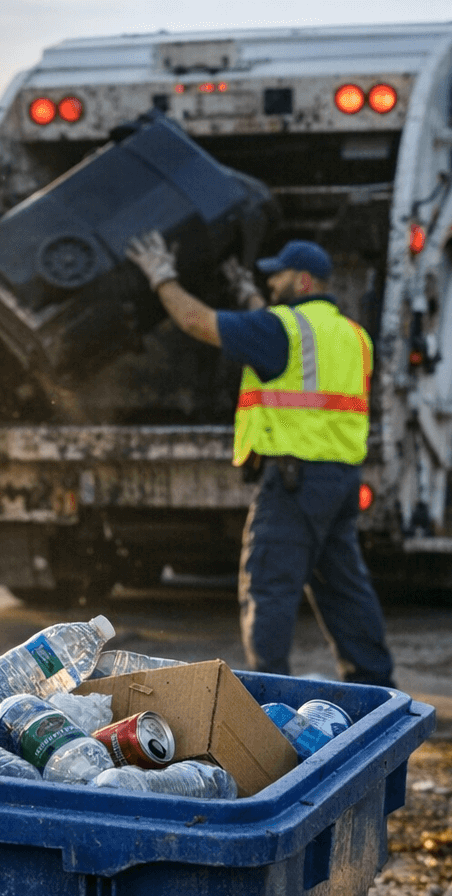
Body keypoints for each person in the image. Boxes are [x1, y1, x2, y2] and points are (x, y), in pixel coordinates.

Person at [124, 232, 393, 683]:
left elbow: (197, 321)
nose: (271, 285)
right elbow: (273, 336)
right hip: (340, 482)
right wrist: (244, 290)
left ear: (303, 282)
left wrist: (161, 277)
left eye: (278, 276)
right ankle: (379, 694)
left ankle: (271, 704)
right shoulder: (353, 336)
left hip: (294, 485)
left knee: (268, 590)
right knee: (346, 593)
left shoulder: (280, 330)